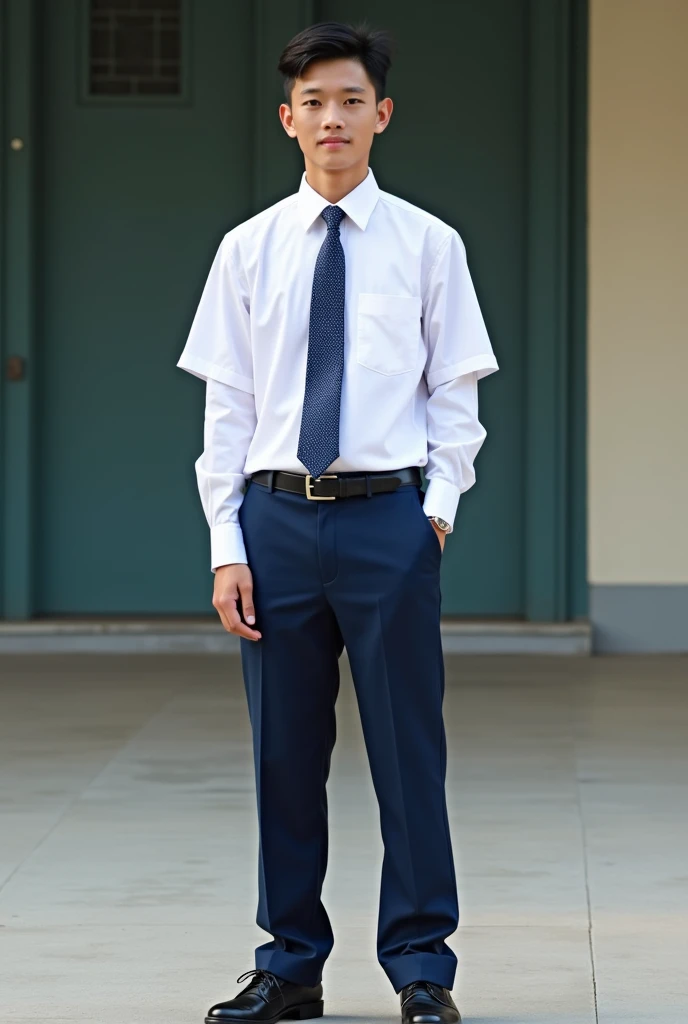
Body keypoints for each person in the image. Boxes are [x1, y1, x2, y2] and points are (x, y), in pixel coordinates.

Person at [177, 20, 498, 1024]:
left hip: (386, 523)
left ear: (381, 114)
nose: (332, 118)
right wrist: (227, 545)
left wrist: (432, 517)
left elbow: (456, 400)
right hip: (273, 523)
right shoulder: (246, 250)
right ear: (288, 119)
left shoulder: (429, 245)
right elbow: (225, 412)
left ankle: (420, 969)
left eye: (350, 100)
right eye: (313, 102)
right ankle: (290, 964)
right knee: (282, 752)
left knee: (408, 749)